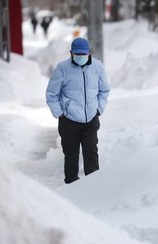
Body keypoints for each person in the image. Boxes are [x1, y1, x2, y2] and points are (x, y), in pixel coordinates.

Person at [46, 38, 110, 184]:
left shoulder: (98, 67)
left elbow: (104, 90)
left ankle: (93, 185)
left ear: (89, 53)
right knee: (71, 156)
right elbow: (51, 94)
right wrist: (60, 113)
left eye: (83, 54)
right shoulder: (62, 68)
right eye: (77, 54)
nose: (80, 57)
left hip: (91, 119)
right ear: (71, 54)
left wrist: (99, 109)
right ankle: (71, 185)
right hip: (69, 121)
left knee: (91, 155)